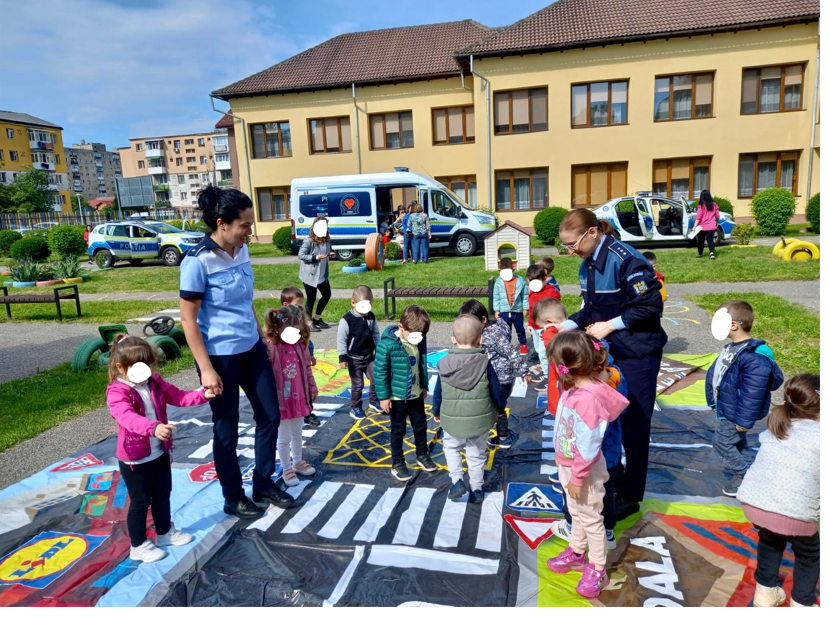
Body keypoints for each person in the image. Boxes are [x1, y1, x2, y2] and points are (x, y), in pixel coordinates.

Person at [180, 186, 294, 519]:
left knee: (270, 416)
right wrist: (206, 369)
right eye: (244, 225)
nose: (249, 232)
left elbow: (245, 302)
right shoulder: (197, 261)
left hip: (251, 348)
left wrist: (260, 337)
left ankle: (263, 482)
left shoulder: (242, 251)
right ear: (222, 223)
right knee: (226, 428)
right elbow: (188, 320)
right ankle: (233, 495)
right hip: (219, 357)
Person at [557, 208, 667, 521]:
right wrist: (566, 325)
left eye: (573, 244)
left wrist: (610, 325)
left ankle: (630, 495)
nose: (571, 251)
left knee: (635, 423)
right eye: (566, 246)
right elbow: (591, 308)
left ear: (592, 232)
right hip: (609, 354)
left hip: (638, 353)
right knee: (607, 423)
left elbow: (650, 306)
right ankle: (610, 481)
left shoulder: (627, 260)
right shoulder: (587, 264)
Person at [106, 334, 213, 562]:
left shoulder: (154, 382)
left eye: (147, 366)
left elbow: (178, 396)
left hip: (160, 453)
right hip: (135, 459)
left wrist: (203, 395)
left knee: (163, 495)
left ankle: (164, 532)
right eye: (137, 368)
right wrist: (153, 428)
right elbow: (127, 417)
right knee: (140, 502)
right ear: (121, 367)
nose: (145, 373)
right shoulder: (117, 392)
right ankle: (138, 545)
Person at [545, 331, 628, 599]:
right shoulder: (576, 389)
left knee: (591, 518)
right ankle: (577, 552)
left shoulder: (588, 399)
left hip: (584, 472)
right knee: (577, 512)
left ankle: (598, 568)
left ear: (565, 366)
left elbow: (589, 444)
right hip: (571, 466)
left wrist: (578, 477)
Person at [737, 374, 820, 608]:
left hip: (755, 503)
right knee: (809, 554)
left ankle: (764, 594)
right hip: (792, 512)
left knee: (770, 540)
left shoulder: (778, 427)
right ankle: (802, 603)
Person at [705, 300, 784, 496]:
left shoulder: (754, 356)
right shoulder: (731, 348)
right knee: (737, 442)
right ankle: (748, 468)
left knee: (722, 442)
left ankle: (745, 475)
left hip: (737, 413)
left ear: (733, 325)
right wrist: (714, 400)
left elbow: (753, 392)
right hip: (729, 407)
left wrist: (743, 420)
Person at [432, 315, 504, 503]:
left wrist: (436, 411)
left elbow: (438, 392)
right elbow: (496, 390)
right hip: (479, 421)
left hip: (451, 419)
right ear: (480, 340)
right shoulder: (485, 363)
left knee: (451, 447)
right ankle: (477, 489)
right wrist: (500, 408)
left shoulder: (444, 364)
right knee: (476, 454)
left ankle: (457, 480)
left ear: (453, 339)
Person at [374, 304, 436, 481]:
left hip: (415, 394)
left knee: (420, 425)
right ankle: (398, 462)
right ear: (401, 326)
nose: (418, 338)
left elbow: (421, 363)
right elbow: (380, 373)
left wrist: (423, 385)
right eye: (414, 334)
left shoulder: (419, 340)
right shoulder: (387, 345)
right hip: (397, 397)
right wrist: (384, 397)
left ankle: (422, 454)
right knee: (398, 430)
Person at [458, 299, 530, 450]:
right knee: (498, 407)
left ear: (483, 320)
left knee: (492, 407)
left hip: (499, 380)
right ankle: (502, 437)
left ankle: (493, 438)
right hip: (501, 378)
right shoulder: (497, 325)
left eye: (471, 324)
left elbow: (510, 351)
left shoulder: (492, 334)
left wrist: (524, 370)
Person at [264, 305, 318, 488]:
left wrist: (312, 388)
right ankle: (286, 467)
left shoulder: (300, 346)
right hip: (282, 401)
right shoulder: (272, 348)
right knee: (284, 437)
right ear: (277, 328)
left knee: (297, 432)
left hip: (299, 397)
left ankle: (297, 461)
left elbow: (307, 369)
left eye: (297, 330)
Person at [337, 285, 382, 420]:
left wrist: (379, 350)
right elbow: (341, 339)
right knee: (358, 384)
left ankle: (374, 400)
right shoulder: (346, 320)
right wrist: (343, 357)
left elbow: (375, 334)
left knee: (376, 377)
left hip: (369, 356)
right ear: (353, 303)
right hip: (354, 359)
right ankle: (355, 406)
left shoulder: (371, 317)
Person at [281, 285, 320, 427]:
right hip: (287, 370)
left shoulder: (301, 323)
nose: (301, 308)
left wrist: (310, 356)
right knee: (288, 391)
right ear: (286, 304)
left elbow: (307, 343)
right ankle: (289, 412)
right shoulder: (280, 324)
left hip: (301, 367)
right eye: (297, 304)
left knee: (305, 387)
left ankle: (307, 412)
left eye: (302, 304)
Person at [526, 264, 562, 390]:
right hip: (535, 327)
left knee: (544, 353)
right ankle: (547, 374)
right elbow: (531, 309)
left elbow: (556, 311)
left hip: (545, 328)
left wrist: (551, 325)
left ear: (545, 278)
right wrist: (530, 323)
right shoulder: (532, 292)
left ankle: (549, 378)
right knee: (539, 351)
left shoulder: (551, 292)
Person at [531, 297, 567, 418]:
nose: (543, 332)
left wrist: (548, 333)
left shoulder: (553, 336)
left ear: (550, 322)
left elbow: (550, 344)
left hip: (561, 399)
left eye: (543, 328)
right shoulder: (573, 335)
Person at [299, 216, 336, 332]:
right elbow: (301, 255)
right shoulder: (309, 240)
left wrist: (332, 254)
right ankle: (308, 323)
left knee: (327, 295)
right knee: (311, 299)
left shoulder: (327, 239)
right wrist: (315, 257)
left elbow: (329, 250)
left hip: (322, 274)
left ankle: (317, 319)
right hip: (310, 275)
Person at [492, 257, 529, 355]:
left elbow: (525, 296)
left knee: (520, 329)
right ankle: (507, 347)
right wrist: (496, 310)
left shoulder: (520, 281)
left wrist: (525, 308)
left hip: (517, 310)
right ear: (499, 271)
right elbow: (496, 297)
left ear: (513, 269)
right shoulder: (498, 282)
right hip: (504, 311)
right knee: (505, 330)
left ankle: (523, 345)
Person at [693, 189, 720, 260]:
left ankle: (700, 254)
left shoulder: (701, 206)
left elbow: (698, 217)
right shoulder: (714, 205)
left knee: (701, 241)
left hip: (702, 227)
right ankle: (712, 253)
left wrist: (694, 226)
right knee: (710, 240)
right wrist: (717, 222)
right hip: (711, 226)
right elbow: (717, 215)